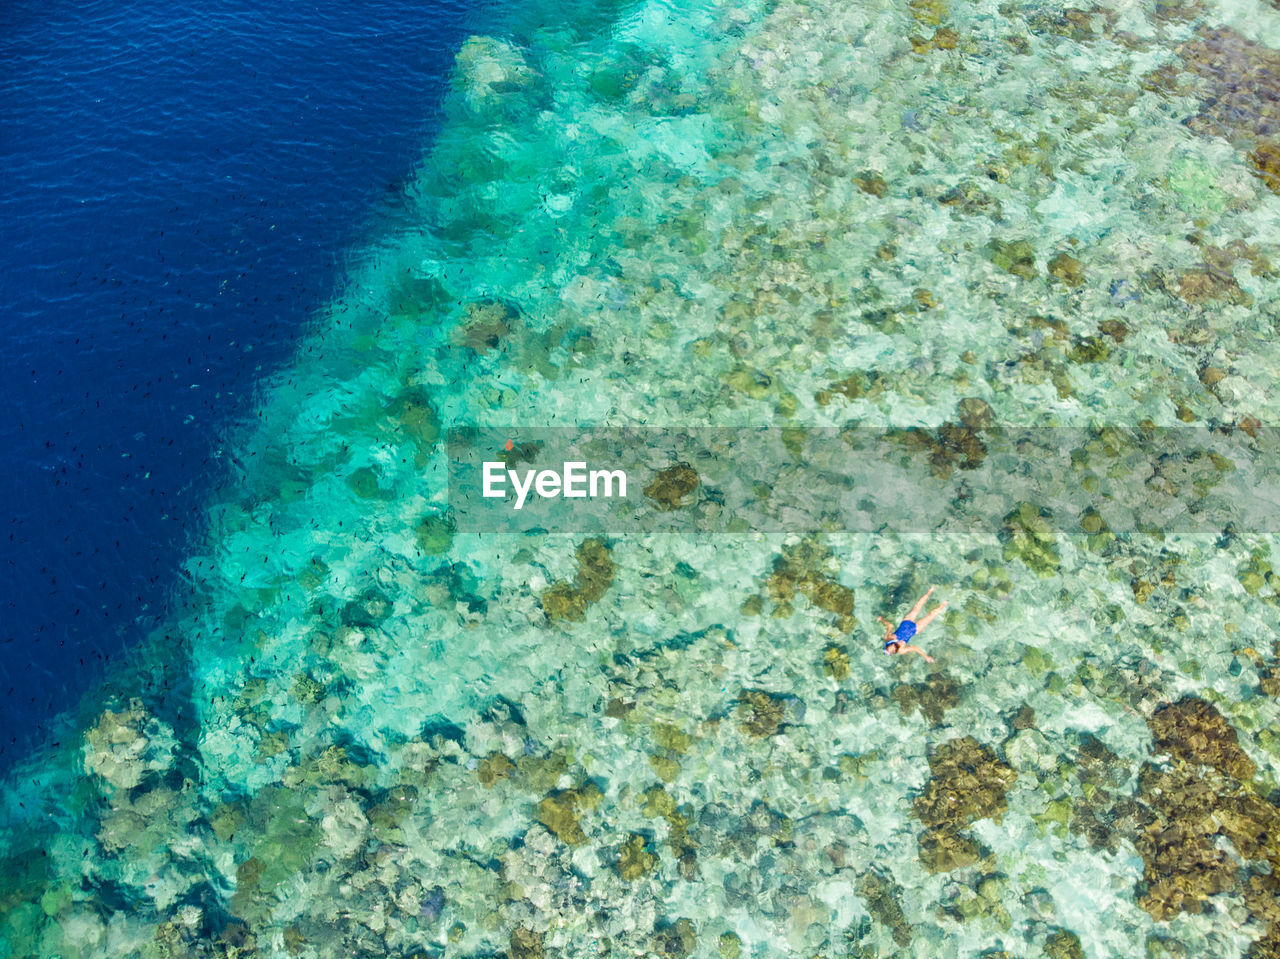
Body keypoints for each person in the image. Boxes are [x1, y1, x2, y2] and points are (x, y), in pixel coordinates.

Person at [877, 585, 947, 663]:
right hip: (915, 630)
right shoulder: (901, 650)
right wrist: (926, 657)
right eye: (892, 650)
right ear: (893, 652)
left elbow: (890, 626)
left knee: (917, 606)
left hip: (906, 622)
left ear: (887, 645)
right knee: (930, 615)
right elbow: (914, 648)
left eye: (890, 647)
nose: (892, 648)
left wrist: (882, 620)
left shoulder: (887, 638)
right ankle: (943, 604)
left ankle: (930, 591)